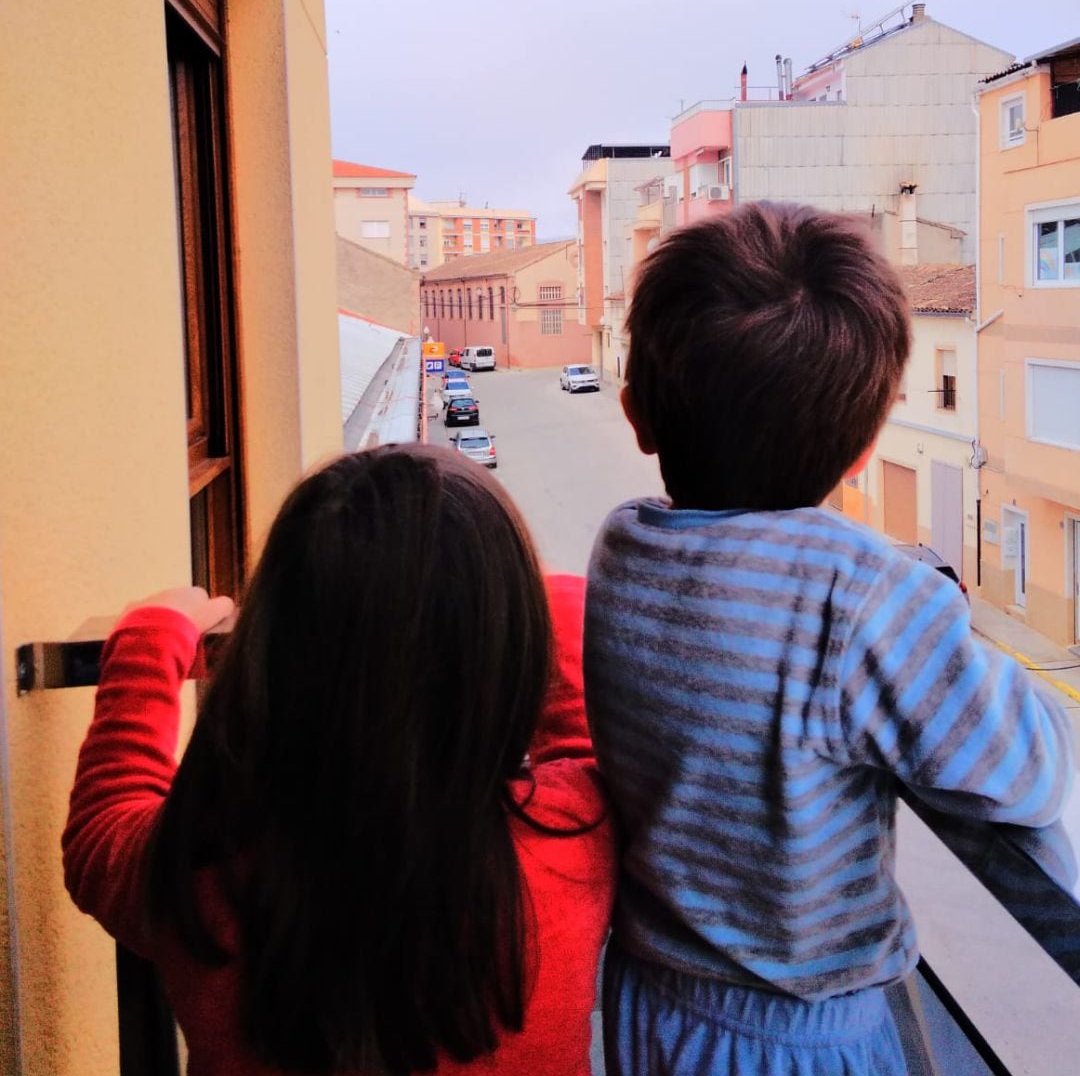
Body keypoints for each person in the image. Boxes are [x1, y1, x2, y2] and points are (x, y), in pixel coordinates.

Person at [583, 202, 1074, 1076]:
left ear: (635, 415)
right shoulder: (860, 590)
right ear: (865, 448)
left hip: (647, 1005)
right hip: (804, 1039)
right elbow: (1026, 770)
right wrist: (935, 611)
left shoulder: (626, 544)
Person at [64, 444, 614, 1075]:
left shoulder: (198, 877)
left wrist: (149, 637)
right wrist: (557, 605)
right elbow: (579, 743)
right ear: (510, 651)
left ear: (268, 651)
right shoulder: (574, 843)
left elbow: (103, 822)